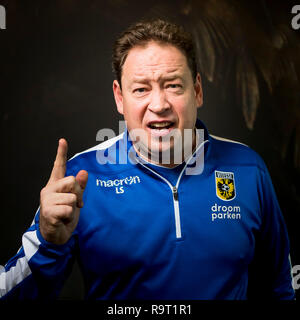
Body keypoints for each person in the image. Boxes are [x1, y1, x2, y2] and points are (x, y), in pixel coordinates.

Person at [0, 19, 295, 300]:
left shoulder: (248, 169)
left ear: (198, 91)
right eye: (141, 89)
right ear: (119, 98)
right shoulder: (79, 179)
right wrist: (49, 242)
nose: (159, 104)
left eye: (173, 85)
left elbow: (278, 289)